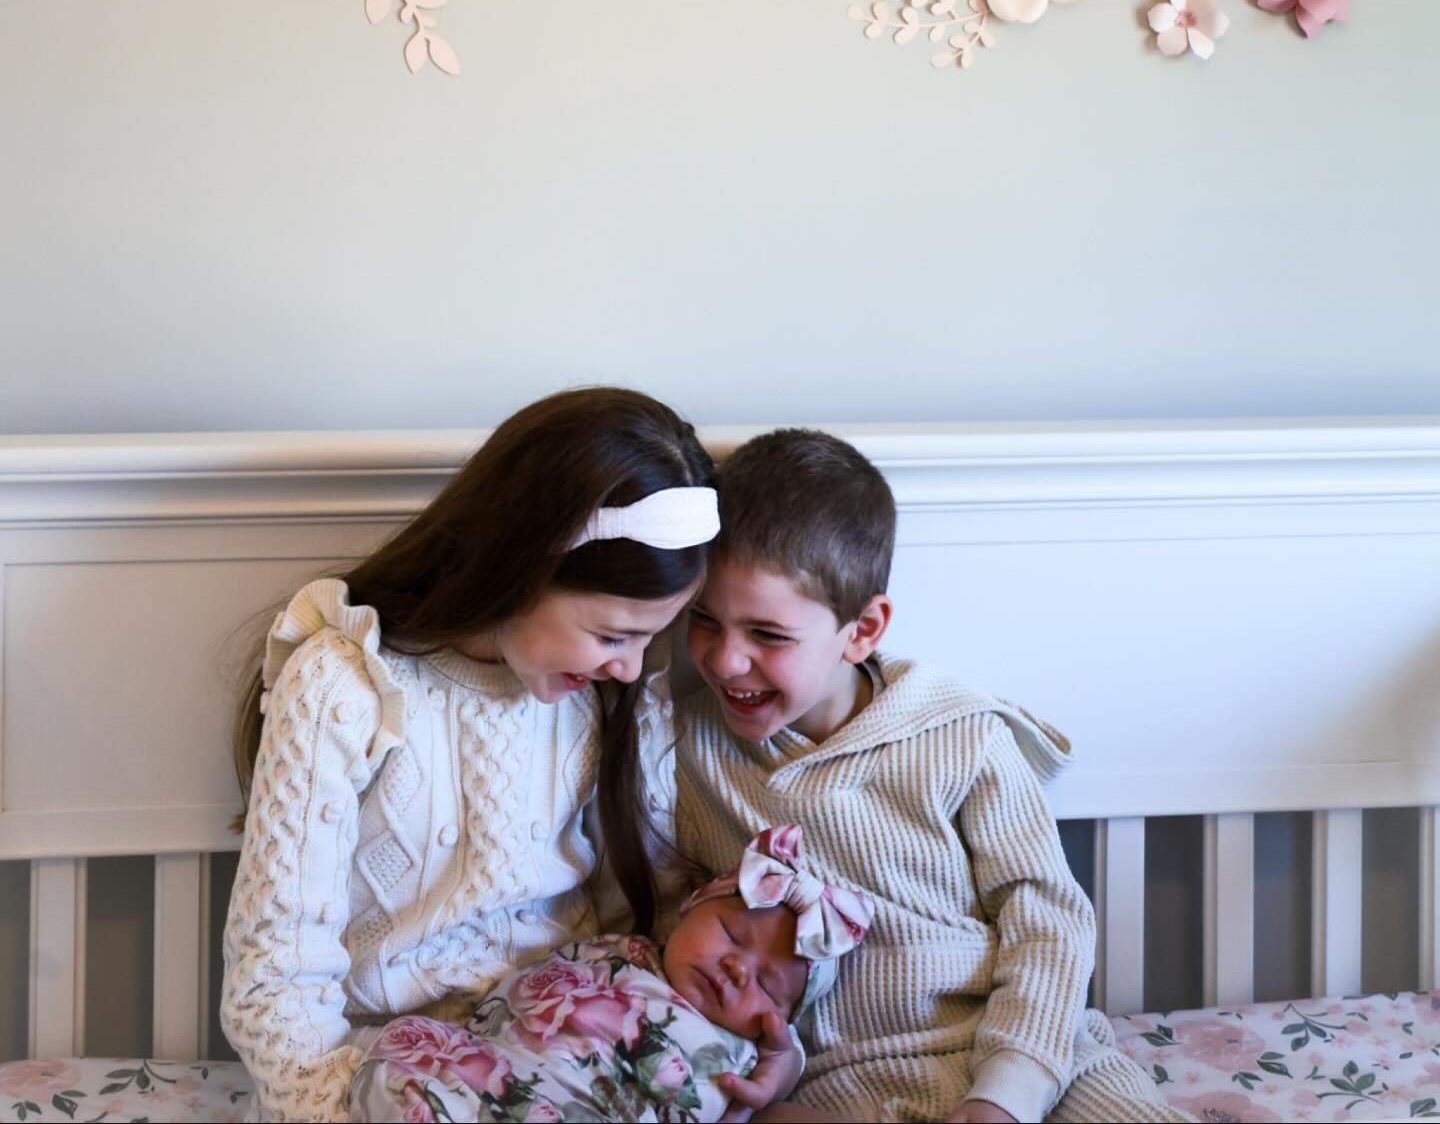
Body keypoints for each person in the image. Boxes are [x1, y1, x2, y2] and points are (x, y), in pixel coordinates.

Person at [221, 387, 719, 1124]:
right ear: (523, 566)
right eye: (614, 635)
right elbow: (276, 970)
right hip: (386, 1079)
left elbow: (642, 930)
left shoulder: (611, 699)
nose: (631, 666)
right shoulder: (348, 686)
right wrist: (328, 1110)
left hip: (568, 1062)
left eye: (653, 638)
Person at [677, 429, 1187, 1124]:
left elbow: (1047, 921)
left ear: (862, 631)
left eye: (767, 635)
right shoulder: (682, 754)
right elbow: (661, 936)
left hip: (1024, 1062)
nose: (728, 660)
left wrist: (1006, 1094)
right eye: (704, 621)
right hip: (834, 1085)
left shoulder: (960, 736)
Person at [348, 824, 871, 1123]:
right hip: (498, 1079)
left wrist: (783, 1062)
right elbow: (512, 1000)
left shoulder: (747, 1054)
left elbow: (766, 1084)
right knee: (398, 1057)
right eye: (733, 935)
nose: (737, 968)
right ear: (690, 906)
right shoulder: (619, 950)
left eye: (767, 986)